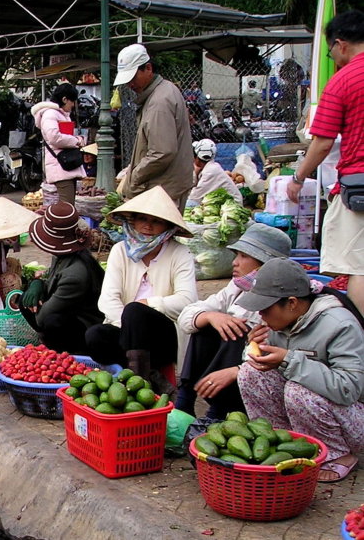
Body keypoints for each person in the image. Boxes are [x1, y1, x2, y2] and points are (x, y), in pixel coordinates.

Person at [235, 258, 364, 483]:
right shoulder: (276, 323)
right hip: (311, 408)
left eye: (265, 309)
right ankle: (283, 445)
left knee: (298, 390)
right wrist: (252, 348)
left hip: (353, 416)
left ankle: (339, 455)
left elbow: (349, 389)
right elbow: (264, 370)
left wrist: (290, 360)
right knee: (250, 373)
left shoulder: (340, 325)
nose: (261, 315)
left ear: (292, 303)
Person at [287, 10, 364, 316]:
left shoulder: (342, 80)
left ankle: (359, 338)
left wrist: (298, 177)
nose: (332, 56)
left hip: (359, 187)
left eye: (330, 50)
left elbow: (322, 142)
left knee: (358, 265)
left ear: (340, 44)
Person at [85, 186, 198, 394]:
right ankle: (151, 376)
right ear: (133, 221)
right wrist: (128, 327)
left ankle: (138, 387)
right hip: (126, 333)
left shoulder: (180, 253)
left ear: (167, 226)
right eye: (142, 219)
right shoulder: (120, 251)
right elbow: (109, 299)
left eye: (156, 221)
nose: (148, 226)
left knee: (136, 311)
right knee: (95, 334)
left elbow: (187, 300)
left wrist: (148, 305)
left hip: (164, 337)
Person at [175, 224, 292, 419]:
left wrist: (237, 368)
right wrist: (212, 316)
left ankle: (219, 411)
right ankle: (185, 400)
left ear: (264, 264)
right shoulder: (237, 287)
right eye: (236, 255)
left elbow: (275, 351)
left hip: (256, 376)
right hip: (236, 366)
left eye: (243, 256)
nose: (235, 263)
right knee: (204, 325)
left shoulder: (281, 298)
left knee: (237, 329)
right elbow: (187, 317)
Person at [113, 43, 193, 209]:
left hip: (163, 189)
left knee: (157, 235)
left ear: (148, 68)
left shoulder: (159, 102)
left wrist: (134, 176)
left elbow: (162, 152)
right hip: (165, 186)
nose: (130, 85)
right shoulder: (162, 92)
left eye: (133, 78)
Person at [20, 201, 105, 354]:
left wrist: (38, 294)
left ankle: (67, 351)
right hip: (70, 312)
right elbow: (53, 278)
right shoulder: (64, 256)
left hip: (86, 328)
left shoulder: (75, 274)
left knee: (51, 321)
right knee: (24, 298)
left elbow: (42, 318)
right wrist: (37, 283)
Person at [31, 83, 86, 204]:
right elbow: (54, 137)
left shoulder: (60, 114)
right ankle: (63, 223)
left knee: (68, 203)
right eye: (72, 101)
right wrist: (76, 141)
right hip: (60, 164)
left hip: (66, 164)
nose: (73, 105)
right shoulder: (50, 114)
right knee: (67, 206)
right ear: (64, 99)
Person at [187, 139, 243, 206]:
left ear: (197, 158)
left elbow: (195, 197)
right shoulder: (209, 167)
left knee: (189, 204)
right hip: (224, 203)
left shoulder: (210, 171)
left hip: (232, 206)